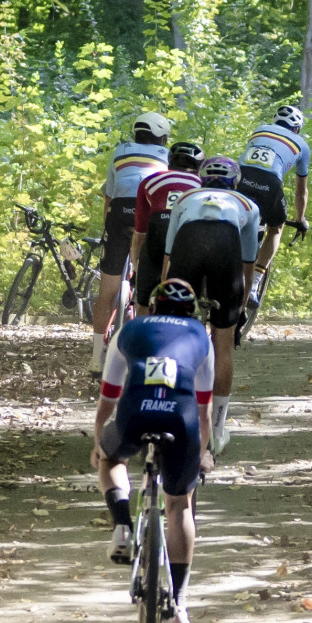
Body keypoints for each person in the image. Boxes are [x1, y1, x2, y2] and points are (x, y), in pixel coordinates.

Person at [94, 277, 215, 623]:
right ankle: (177, 604)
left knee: (112, 460)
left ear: (152, 306)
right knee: (179, 504)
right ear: (191, 311)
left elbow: (108, 400)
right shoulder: (200, 336)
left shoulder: (129, 330)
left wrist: (99, 443)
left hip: (134, 414)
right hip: (182, 420)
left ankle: (121, 528)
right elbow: (205, 412)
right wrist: (202, 453)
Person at [159, 156, 266, 426]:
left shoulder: (184, 199)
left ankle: (164, 408)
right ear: (235, 181)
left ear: (201, 178)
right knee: (223, 345)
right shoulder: (248, 204)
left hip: (187, 247)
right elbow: (248, 263)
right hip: (225, 249)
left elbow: (168, 254)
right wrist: (239, 307)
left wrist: (164, 295)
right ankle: (217, 427)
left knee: (173, 336)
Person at [91, 112, 176, 334]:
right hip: (151, 213)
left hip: (119, 213)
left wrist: (108, 230)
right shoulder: (167, 156)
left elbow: (109, 197)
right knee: (154, 278)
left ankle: (97, 355)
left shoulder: (120, 152)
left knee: (107, 289)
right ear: (163, 138)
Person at [236, 101, 311, 288]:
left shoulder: (259, 129)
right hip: (269, 183)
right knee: (276, 227)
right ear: (297, 128)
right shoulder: (302, 144)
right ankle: (254, 285)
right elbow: (301, 190)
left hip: (239, 177)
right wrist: (300, 219)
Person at [124, 139, 205, 305]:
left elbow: (140, 232)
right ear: (198, 167)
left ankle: (144, 317)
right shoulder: (203, 185)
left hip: (157, 232)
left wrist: (136, 267)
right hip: (189, 239)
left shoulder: (150, 181)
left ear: (170, 162)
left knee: (144, 302)